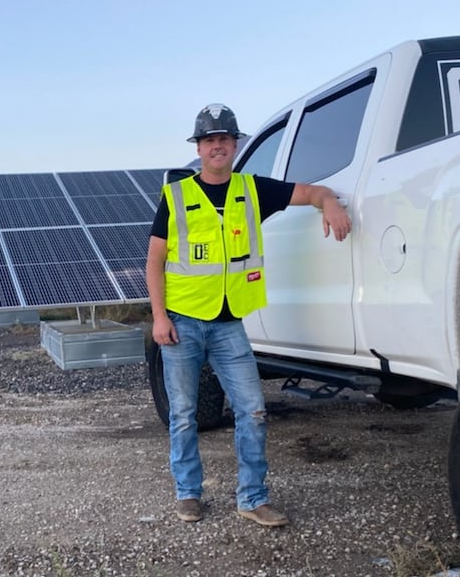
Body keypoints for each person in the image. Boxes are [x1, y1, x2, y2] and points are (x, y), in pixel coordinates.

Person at [145, 103, 352, 527]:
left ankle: (253, 498)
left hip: (228, 325)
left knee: (253, 410)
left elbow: (310, 192)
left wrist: (328, 202)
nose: (217, 146)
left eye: (224, 138)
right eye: (209, 140)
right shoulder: (177, 196)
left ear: (235, 144)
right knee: (184, 415)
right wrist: (159, 318)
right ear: (199, 149)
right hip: (182, 323)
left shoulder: (252, 190)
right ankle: (188, 493)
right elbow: (154, 262)